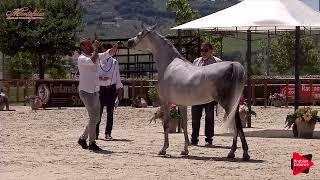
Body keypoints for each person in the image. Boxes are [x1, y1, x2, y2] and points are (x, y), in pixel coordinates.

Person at [77, 39, 118, 151]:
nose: (91, 45)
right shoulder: (82, 58)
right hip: (86, 92)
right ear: (82, 47)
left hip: (95, 91)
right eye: (88, 44)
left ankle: (83, 138)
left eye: (91, 43)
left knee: (95, 118)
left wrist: (113, 49)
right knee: (94, 117)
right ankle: (91, 142)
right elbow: (93, 59)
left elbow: (106, 54)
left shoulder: (93, 55)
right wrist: (95, 48)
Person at [191, 42, 222, 146]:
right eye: (201, 50)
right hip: (197, 94)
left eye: (205, 50)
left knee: (209, 117)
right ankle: (194, 139)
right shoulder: (196, 61)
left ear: (211, 51)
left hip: (209, 94)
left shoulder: (217, 62)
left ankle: (209, 139)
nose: (203, 52)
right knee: (195, 117)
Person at [96, 42, 123, 140]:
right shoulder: (98, 60)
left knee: (110, 112)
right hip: (101, 88)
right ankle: (96, 133)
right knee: (98, 112)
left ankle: (108, 133)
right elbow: (95, 74)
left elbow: (117, 76)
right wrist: (100, 78)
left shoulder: (115, 62)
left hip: (111, 89)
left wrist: (119, 89)